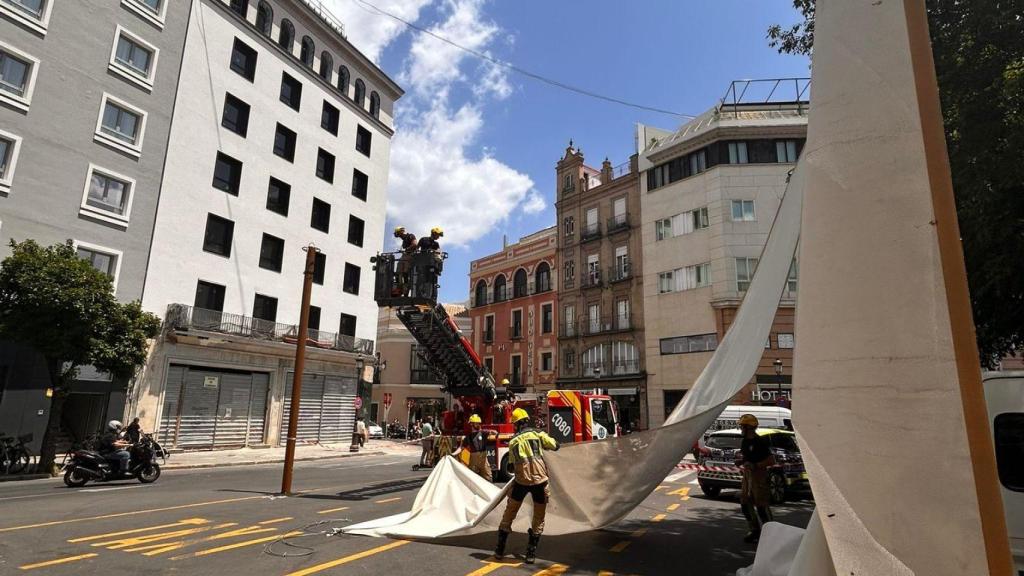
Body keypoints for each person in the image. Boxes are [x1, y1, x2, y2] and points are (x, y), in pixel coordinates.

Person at [495, 408, 559, 564]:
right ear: (526, 421)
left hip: (521, 482)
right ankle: (530, 553)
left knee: (509, 513)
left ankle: (500, 549)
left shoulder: (512, 442)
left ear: (516, 424)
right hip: (540, 482)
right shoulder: (538, 435)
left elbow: (511, 463)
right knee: (538, 516)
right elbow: (555, 445)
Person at [736, 413, 775, 543]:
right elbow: (748, 457)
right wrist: (742, 461)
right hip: (748, 476)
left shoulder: (760, 442)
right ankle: (755, 530)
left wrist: (756, 465)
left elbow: (771, 460)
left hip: (759, 476)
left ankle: (770, 533)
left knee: (761, 505)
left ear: (749, 428)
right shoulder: (745, 441)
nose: (741, 429)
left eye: (743, 427)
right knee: (745, 503)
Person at [461, 414, 496, 482]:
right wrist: (452, 454)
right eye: (477, 423)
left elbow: (492, 432)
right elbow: (461, 447)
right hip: (474, 460)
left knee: (488, 478)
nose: (478, 425)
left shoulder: (483, 433)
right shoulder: (469, 436)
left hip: (483, 459)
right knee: (472, 478)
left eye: (478, 423)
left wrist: (495, 432)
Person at [393, 226, 417, 296]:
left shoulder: (410, 236)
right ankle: (399, 289)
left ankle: (406, 291)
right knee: (398, 272)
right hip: (405, 255)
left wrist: (406, 249)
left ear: (401, 232)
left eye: (398, 234)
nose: (399, 236)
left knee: (405, 273)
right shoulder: (404, 241)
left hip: (410, 255)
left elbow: (415, 244)